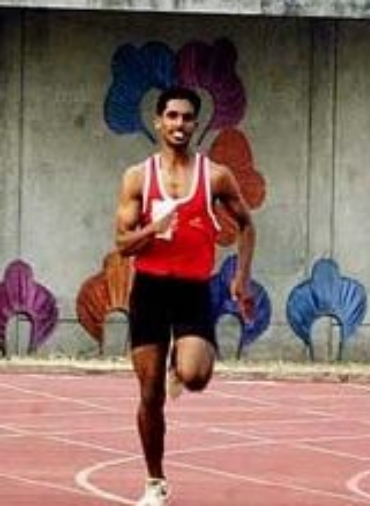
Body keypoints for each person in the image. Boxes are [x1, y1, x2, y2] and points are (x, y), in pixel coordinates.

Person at [115, 87, 256, 506]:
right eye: (172, 116)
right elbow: (122, 243)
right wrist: (151, 231)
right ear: (158, 122)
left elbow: (247, 224)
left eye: (187, 118)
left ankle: (183, 365)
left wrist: (241, 277)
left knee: (195, 376)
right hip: (151, 290)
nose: (179, 124)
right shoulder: (138, 177)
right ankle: (155, 481)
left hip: (193, 288)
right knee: (149, 395)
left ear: (197, 124)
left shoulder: (215, 176)